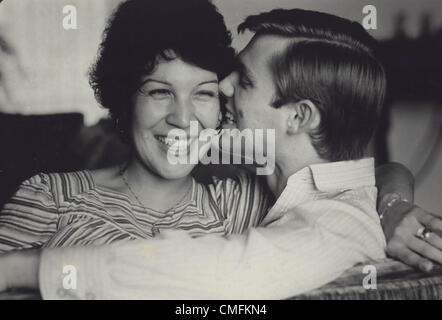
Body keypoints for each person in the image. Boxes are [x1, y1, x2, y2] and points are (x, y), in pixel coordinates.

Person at [1, 3, 441, 298]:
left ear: (298, 116)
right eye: (158, 92)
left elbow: (216, 269)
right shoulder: (50, 196)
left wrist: (387, 204)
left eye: (211, 92)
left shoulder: (245, 202)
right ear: (123, 99)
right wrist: (390, 199)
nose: (184, 116)